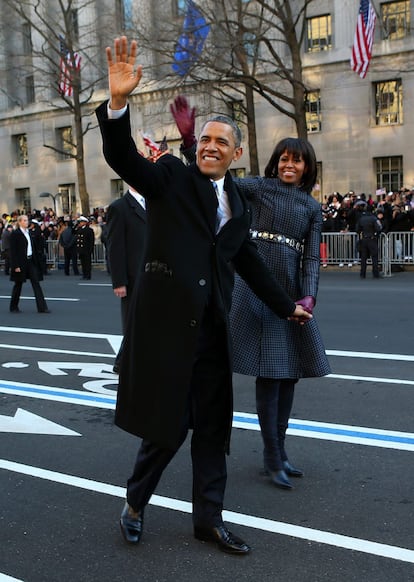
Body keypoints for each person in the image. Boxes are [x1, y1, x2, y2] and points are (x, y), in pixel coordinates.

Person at [96, 36, 311, 555]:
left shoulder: (239, 200)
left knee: (214, 431)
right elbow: (124, 157)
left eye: (222, 142)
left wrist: (289, 306)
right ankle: (135, 501)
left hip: (215, 332)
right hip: (170, 332)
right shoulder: (170, 178)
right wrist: (118, 105)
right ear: (196, 148)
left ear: (237, 154)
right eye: (205, 139)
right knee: (168, 431)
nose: (211, 146)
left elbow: (247, 261)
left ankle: (208, 520)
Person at [171, 96, 331, 490]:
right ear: (274, 162)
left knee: (288, 374)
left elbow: (311, 258)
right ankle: (271, 455)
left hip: (290, 294)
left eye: (297, 160)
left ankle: (279, 451)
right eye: (284, 159)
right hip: (256, 289)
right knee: (269, 373)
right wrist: (191, 143)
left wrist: (308, 297)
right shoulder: (256, 188)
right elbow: (210, 174)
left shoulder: (312, 208)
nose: (289, 165)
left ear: (308, 167)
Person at [106, 185, 147, 374]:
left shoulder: (154, 203)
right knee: (132, 322)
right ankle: (123, 363)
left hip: (154, 274)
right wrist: (119, 281)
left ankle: (127, 361)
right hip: (133, 275)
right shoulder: (119, 207)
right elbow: (115, 247)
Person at [9, 214, 50, 313]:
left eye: (27, 220)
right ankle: (13, 306)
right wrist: (15, 266)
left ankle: (42, 307)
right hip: (21, 262)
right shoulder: (15, 234)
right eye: (24, 220)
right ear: (19, 222)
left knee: (36, 283)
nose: (27, 222)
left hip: (30, 261)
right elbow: (13, 252)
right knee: (18, 285)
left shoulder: (29, 233)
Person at [355, 202, 382, 278]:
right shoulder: (374, 218)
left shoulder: (361, 218)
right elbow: (379, 228)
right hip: (372, 238)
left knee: (363, 258)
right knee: (374, 257)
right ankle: (375, 274)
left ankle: (362, 274)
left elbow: (357, 229)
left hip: (364, 239)